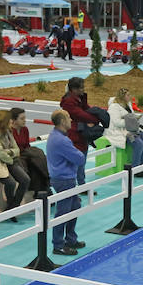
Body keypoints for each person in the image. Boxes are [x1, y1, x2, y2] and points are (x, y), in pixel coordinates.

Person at [46, 109, 87, 255]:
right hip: (64, 180)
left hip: (62, 178)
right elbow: (80, 158)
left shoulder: (56, 136)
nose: (71, 120)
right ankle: (58, 245)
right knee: (63, 212)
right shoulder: (62, 140)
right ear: (63, 121)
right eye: (69, 117)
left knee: (74, 206)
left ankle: (70, 239)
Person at [60, 77, 100, 186]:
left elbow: (86, 109)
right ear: (73, 89)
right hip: (74, 135)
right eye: (81, 88)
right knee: (76, 162)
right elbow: (81, 114)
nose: (83, 90)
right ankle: (73, 186)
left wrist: (97, 114)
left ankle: (81, 184)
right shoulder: (69, 102)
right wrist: (96, 119)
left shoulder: (79, 98)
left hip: (81, 134)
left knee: (82, 161)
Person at [106, 88, 143, 177]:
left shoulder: (128, 105)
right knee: (138, 143)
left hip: (133, 128)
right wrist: (131, 121)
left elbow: (130, 116)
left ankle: (142, 166)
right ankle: (135, 169)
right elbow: (116, 122)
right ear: (122, 96)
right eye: (128, 95)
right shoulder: (114, 107)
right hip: (122, 131)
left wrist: (135, 119)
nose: (130, 97)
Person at [9, 107, 49, 194]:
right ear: (14, 120)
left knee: (38, 160)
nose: (25, 120)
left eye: (25, 118)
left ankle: (43, 188)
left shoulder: (25, 129)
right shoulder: (9, 131)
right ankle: (43, 188)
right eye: (22, 118)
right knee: (32, 164)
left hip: (25, 153)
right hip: (15, 156)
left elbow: (27, 145)